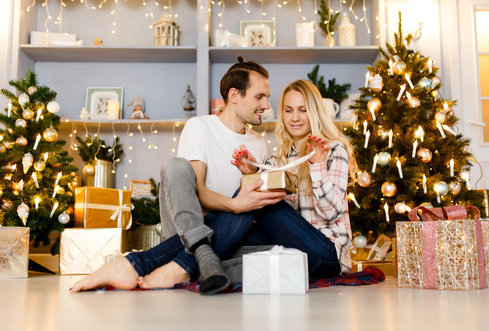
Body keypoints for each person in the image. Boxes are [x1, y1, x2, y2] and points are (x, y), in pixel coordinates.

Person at [70, 57, 286, 294]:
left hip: (229, 234)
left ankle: (184, 266)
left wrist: (253, 178)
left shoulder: (258, 143)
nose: (266, 105)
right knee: (176, 167)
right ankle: (200, 255)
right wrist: (236, 205)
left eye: (267, 97)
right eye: (260, 97)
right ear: (234, 96)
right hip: (187, 230)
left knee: (285, 255)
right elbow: (199, 194)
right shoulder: (200, 127)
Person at [138, 78, 358, 284]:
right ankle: (185, 263)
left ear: (315, 112)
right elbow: (274, 220)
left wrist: (317, 166)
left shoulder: (333, 150)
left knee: (253, 200)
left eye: (303, 110)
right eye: (288, 110)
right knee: (228, 218)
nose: (295, 117)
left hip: (326, 255)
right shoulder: (279, 158)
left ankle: (161, 264)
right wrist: (251, 173)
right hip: (290, 253)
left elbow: (332, 212)